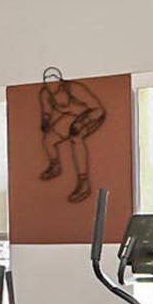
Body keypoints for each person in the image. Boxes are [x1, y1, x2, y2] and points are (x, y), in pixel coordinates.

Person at [36, 66, 108, 204]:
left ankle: (83, 182)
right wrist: (45, 121)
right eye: (48, 81)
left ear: (60, 81)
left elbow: (98, 109)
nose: (51, 85)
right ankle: (55, 165)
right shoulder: (45, 94)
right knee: (49, 139)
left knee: (76, 137)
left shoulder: (74, 89)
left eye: (54, 81)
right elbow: (46, 111)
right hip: (71, 116)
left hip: (91, 115)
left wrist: (82, 123)